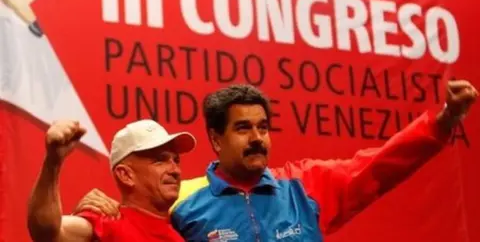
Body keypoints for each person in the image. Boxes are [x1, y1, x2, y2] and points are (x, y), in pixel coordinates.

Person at [74, 80, 477, 241]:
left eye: (263, 128)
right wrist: (101, 210)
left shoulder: (307, 186)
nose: (257, 139)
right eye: (243, 129)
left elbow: (383, 164)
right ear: (216, 138)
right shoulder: (184, 204)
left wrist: (441, 122)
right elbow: (136, 227)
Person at [27, 119, 197, 242]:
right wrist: (53, 162)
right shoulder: (107, 221)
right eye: (160, 160)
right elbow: (46, 233)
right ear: (125, 175)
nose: (175, 170)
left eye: (176, 160)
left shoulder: (183, 229)